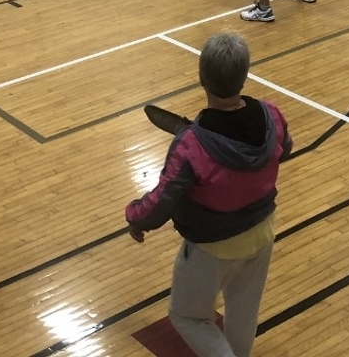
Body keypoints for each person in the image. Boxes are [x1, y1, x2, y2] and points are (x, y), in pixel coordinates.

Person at [125, 31, 291, 357]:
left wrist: (135, 216)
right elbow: (283, 150)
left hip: (212, 248)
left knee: (187, 315)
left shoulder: (191, 144)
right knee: (242, 314)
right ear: (244, 77)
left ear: (201, 79)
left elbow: (162, 201)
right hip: (261, 235)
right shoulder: (272, 114)